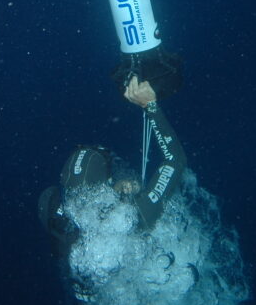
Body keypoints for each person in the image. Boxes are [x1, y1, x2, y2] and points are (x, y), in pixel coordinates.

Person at [38, 75, 188, 252]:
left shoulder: (79, 240)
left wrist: (115, 194)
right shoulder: (134, 220)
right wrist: (150, 105)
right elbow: (175, 160)